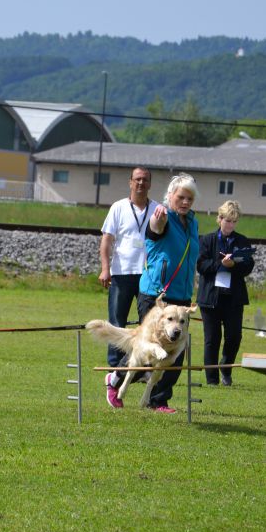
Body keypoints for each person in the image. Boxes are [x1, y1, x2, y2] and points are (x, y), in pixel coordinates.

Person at [105, 173, 200, 413]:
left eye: (189, 198)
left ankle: (158, 401)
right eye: (181, 197)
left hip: (181, 298)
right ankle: (116, 378)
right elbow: (154, 230)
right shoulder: (163, 217)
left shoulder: (193, 223)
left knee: (174, 354)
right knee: (147, 346)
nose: (185, 202)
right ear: (170, 196)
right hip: (157, 294)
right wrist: (157, 221)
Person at [98, 167, 159, 367]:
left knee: (148, 324)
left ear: (150, 184)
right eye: (138, 179)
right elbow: (107, 240)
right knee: (117, 322)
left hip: (148, 275)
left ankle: (143, 365)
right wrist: (105, 269)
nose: (141, 183)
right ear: (130, 182)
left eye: (145, 180)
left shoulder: (157, 209)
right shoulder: (118, 207)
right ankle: (114, 365)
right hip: (121, 273)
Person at [196, 200, 254, 386]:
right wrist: (220, 264)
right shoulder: (206, 240)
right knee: (212, 339)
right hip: (210, 298)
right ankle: (211, 379)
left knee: (234, 336)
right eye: (227, 220)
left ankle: (226, 369)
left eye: (234, 221)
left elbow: (247, 267)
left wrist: (234, 265)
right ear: (219, 219)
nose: (230, 225)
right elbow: (201, 265)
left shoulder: (242, 241)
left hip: (234, 299)